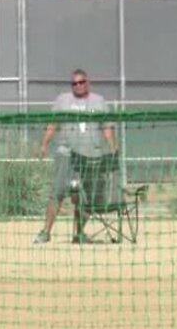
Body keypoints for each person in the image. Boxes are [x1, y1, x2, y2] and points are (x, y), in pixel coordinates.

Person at [33, 68, 117, 244]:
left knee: (87, 195)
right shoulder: (62, 100)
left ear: (88, 82)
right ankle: (46, 232)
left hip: (91, 154)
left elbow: (107, 127)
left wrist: (113, 148)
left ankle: (78, 234)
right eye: (74, 83)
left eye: (81, 82)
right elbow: (53, 124)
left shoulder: (99, 101)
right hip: (66, 152)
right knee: (58, 191)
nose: (78, 86)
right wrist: (44, 144)